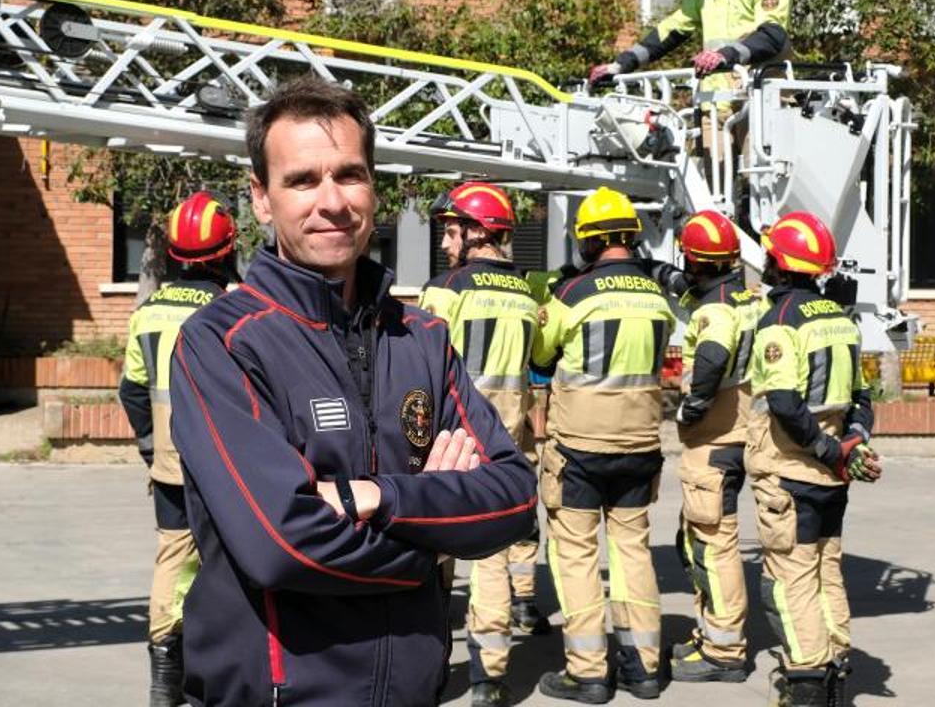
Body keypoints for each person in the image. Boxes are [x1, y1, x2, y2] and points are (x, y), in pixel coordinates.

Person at [168, 75, 538, 707]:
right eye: (303, 180)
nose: (331, 201)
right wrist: (432, 542)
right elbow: (280, 546)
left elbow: (513, 498)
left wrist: (385, 498)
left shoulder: (421, 336)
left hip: (415, 690)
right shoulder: (222, 344)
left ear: (374, 186)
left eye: (349, 174)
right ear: (261, 199)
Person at [531, 186, 677, 703]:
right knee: (633, 551)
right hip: (640, 446)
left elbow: (541, 357)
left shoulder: (571, 295)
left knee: (574, 554)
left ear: (587, 242)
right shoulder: (659, 297)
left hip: (578, 449)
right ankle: (643, 668)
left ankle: (588, 672)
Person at [417, 181, 549, 707]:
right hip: (503, 444)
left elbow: (418, 367)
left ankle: (429, 667)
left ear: (478, 232)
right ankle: (489, 678)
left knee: (434, 554)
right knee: (492, 553)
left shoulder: (445, 289)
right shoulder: (525, 296)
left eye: (453, 231)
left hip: (449, 443)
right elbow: (537, 362)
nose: (447, 243)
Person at [746, 211, 882, 707]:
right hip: (832, 478)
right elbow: (862, 399)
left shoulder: (778, 322)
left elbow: (783, 403)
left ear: (778, 263)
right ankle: (835, 664)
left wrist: (826, 450)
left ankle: (805, 680)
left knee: (791, 577)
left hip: (791, 472)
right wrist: (854, 444)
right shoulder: (840, 321)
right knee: (827, 569)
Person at [588, 0, 795, 190]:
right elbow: (669, 30)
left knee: (762, 193)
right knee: (712, 196)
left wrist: (725, 55)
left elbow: (771, 35)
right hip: (714, 105)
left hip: (759, 101)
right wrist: (620, 65)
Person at [118, 190, 238, 707]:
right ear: (226, 253)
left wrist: (153, 450)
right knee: (229, 565)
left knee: (173, 560)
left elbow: (132, 391)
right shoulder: (233, 311)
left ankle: (165, 682)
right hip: (227, 470)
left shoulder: (147, 314)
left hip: (170, 467)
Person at [668, 209, 767, 685]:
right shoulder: (746, 297)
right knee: (701, 539)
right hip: (740, 433)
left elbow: (711, 354)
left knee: (713, 546)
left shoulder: (716, 311)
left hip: (713, 439)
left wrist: (694, 405)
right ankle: (709, 632)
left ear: (694, 260)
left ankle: (724, 650)